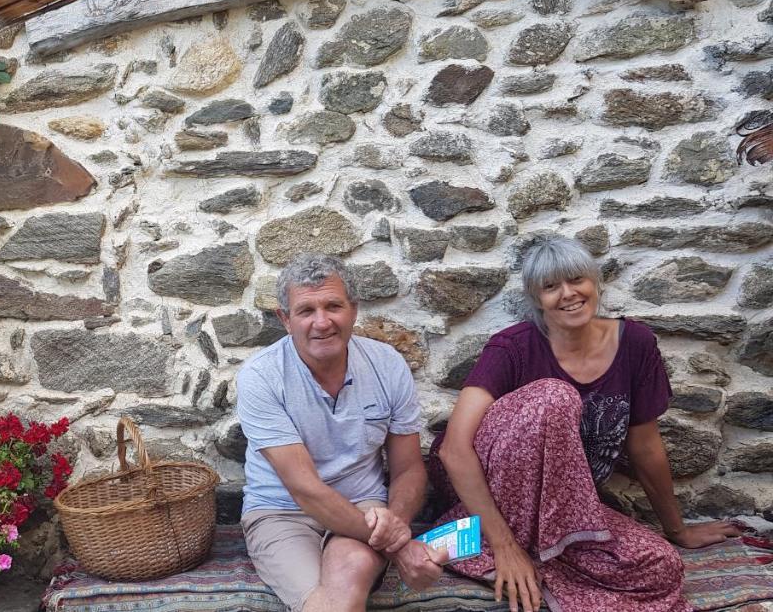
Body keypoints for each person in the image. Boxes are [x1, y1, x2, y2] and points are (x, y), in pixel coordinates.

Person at [430, 235, 742, 612]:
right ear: (535, 298)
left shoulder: (636, 344)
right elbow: (453, 449)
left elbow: (644, 447)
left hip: (566, 512)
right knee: (554, 395)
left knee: (662, 567)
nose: (567, 294)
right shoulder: (512, 347)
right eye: (550, 286)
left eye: (576, 279)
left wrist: (678, 531)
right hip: (488, 496)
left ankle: (481, 549)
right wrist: (504, 545)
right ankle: (495, 543)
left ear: (595, 282)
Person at [237, 253, 446, 612]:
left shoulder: (387, 365)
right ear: (285, 320)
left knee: (351, 576)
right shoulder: (261, 376)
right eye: (306, 311)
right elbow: (305, 488)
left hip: (365, 506)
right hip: (282, 511)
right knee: (329, 604)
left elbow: (409, 468)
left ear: (353, 309)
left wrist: (394, 521)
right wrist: (397, 544)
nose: (322, 322)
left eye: (333, 306)